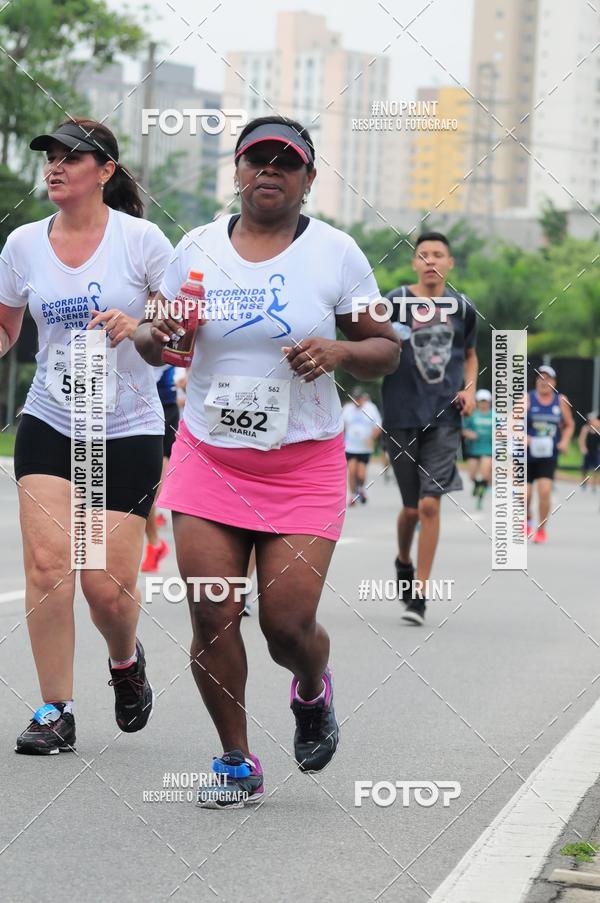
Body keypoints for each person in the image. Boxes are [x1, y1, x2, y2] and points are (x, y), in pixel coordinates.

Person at [134, 115, 399, 807]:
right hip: (209, 456)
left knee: (286, 625)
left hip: (303, 462)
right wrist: (159, 329)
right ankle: (236, 758)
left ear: (308, 178)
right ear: (239, 171)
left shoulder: (337, 253)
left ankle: (311, 688)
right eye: (258, 161)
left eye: (287, 163)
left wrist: (340, 350)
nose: (270, 173)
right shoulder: (194, 247)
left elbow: (387, 345)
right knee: (212, 614)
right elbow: (148, 337)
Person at [0, 119, 173, 754]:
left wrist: (142, 324)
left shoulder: (143, 242)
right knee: (48, 566)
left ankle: (125, 662)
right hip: (51, 418)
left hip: (125, 427)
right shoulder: (22, 245)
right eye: (49, 156)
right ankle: (55, 709)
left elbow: (176, 336)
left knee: (106, 587)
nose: (56, 167)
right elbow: (6, 328)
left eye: (72, 158)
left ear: (104, 171)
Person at [381, 232, 478, 625]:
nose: (431, 261)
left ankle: (419, 593)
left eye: (439, 255)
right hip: (401, 414)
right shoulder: (394, 302)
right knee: (409, 510)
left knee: (428, 504)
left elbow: (470, 356)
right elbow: (376, 345)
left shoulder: (463, 308)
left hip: (445, 415)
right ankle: (403, 559)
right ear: (414, 264)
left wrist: (469, 389)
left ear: (449, 263)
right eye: (424, 255)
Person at [527, 365, 574, 543]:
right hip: (527, 455)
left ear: (553, 382)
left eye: (547, 378)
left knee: (545, 491)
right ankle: (527, 518)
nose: (543, 381)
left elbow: (569, 424)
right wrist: (522, 436)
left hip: (548, 454)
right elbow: (512, 421)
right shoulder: (528, 399)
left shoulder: (561, 401)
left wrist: (564, 441)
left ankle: (541, 529)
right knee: (525, 494)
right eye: (540, 378)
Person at [141, 364, 180, 572]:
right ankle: (154, 544)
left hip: (166, 410)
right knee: (144, 489)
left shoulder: (169, 337)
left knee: (152, 487)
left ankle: (154, 545)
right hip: (136, 410)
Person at [342, 387, 382, 504]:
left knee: (361, 473)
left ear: (363, 398)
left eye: (359, 398)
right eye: (355, 398)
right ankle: (353, 495)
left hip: (364, 448)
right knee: (352, 470)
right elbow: (342, 426)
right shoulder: (347, 409)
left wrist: (372, 438)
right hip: (350, 446)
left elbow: (378, 425)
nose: (357, 401)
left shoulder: (371, 408)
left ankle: (361, 489)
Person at [462, 388, 493, 510]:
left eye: (485, 401)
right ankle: (476, 485)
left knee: (485, 474)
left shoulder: (494, 415)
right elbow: (463, 429)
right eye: (481, 401)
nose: (483, 403)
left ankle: (480, 497)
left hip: (488, 449)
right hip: (474, 449)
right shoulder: (472, 414)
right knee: (471, 475)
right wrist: (469, 433)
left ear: (489, 402)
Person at [579, 411, 600, 491]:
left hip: (596, 451)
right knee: (585, 468)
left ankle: (594, 485)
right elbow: (582, 439)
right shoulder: (586, 428)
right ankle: (584, 483)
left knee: (596, 468)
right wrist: (583, 448)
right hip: (587, 451)